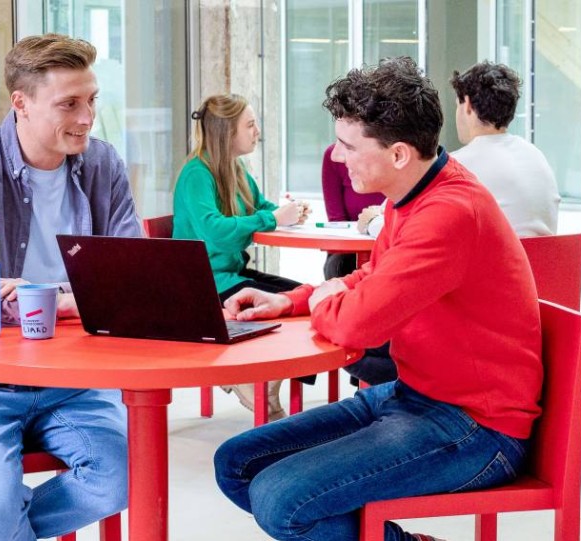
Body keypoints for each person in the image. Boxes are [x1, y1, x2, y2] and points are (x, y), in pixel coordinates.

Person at [210, 56, 541, 541]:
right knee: (236, 463)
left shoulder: (450, 212)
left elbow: (357, 327)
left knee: (282, 501)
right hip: (415, 395)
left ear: (399, 154)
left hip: (475, 428)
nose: (336, 157)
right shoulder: (410, 197)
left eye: (347, 145)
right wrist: (296, 299)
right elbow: (371, 276)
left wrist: (326, 299)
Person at [0, 34, 134, 541]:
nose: (86, 118)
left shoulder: (102, 164)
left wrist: (38, 299)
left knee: (120, 479)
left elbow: (129, 285)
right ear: (21, 103)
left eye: (92, 101)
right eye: (69, 104)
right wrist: (75, 300)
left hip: (73, 379)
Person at [172, 93, 309, 420]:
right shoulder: (197, 174)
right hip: (204, 286)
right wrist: (273, 219)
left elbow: (259, 207)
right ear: (227, 133)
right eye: (249, 125)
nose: (257, 131)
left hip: (230, 276)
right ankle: (252, 375)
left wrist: (284, 212)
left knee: (302, 297)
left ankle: (263, 376)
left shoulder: (236, 168)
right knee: (290, 307)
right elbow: (215, 230)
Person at [448, 61, 560, 237]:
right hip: (546, 263)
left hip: (496, 263)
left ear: (467, 105)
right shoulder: (535, 155)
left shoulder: (455, 167)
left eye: (457, 105)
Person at [319, 143, 384, 279]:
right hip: (347, 247)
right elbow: (336, 221)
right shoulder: (334, 157)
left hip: (389, 245)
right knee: (338, 268)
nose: (336, 154)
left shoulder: (392, 157)